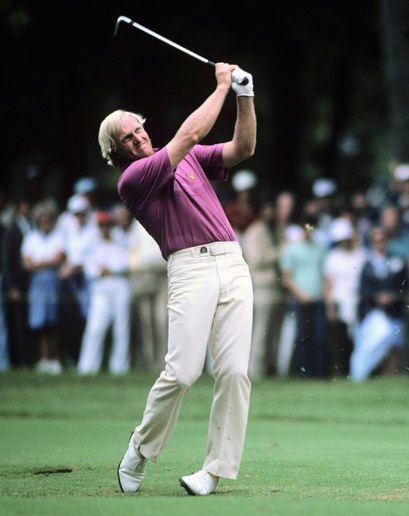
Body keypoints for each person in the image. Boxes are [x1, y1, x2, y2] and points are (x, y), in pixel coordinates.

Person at [98, 62, 256, 495]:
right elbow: (188, 135)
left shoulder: (189, 160)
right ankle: (141, 448)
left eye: (139, 130)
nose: (139, 138)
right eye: (128, 138)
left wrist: (246, 96)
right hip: (190, 268)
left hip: (232, 262)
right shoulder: (133, 179)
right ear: (118, 154)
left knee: (235, 372)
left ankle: (215, 469)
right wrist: (223, 85)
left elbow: (241, 149)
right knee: (182, 372)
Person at [77, 210, 133, 375]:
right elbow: (89, 268)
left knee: (121, 328)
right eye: (102, 225)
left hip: (119, 285)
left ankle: (120, 367)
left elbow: (126, 263)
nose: (105, 228)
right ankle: (88, 367)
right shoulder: (92, 243)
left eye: (107, 224)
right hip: (100, 288)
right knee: (95, 327)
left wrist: (110, 268)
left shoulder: (122, 240)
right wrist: (99, 270)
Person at [349, 227, 408, 381]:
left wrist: (393, 296)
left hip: (394, 311)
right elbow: (364, 290)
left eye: (382, 240)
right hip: (374, 312)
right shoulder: (368, 265)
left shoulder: (398, 261)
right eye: (375, 241)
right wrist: (377, 297)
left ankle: (390, 375)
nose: (379, 244)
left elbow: (404, 286)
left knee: (394, 344)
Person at [279, 215, 328, 378]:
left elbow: (325, 275)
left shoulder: (320, 249)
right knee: (302, 337)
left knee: (319, 337)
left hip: (317, 298)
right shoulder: (292, 249)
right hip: (300, 300)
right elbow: (286, 277)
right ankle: (304, 373)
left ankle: (319, 373)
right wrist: (300, 294)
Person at [21, 200, 65, 374]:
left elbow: (58, 258)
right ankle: (43, 358)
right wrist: (46, 262)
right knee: (39, 322)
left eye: (48, 218)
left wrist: (40, 263)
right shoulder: (31, 237)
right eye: (42, 218)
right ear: (38, 220)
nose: (45, 221)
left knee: (52, 322)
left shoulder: (58, 236)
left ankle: (54, 358)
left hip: (52, 282)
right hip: (37, 283)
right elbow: (27, 263)